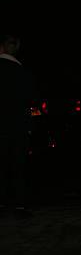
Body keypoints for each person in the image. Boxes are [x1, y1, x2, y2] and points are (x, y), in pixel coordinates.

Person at [0, 32, 33, 217]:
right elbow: (29, 101)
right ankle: (19, 204)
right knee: (17, 164)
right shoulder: (22, 72)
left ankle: (5, 203)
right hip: (17, 127)